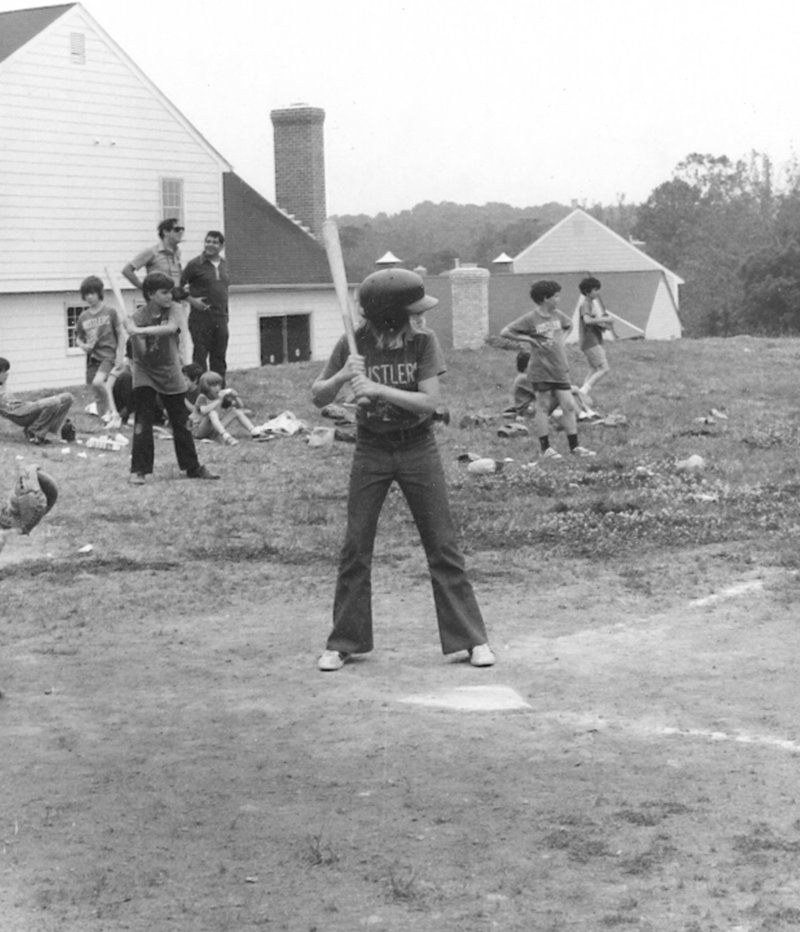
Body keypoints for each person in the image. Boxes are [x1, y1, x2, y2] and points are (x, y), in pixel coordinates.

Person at [312, 268, 495, 672]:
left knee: (442, 544)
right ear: (389, 314)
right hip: (372, 449)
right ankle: (345, 641)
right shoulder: (354, 343)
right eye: (412, 311)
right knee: (356, 547)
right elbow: (317, 394)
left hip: (417, 447)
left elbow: (429, 402)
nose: (420, 317)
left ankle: (470, 639)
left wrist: (377, 389)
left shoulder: (423, 341)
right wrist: (344, 376)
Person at [125, 272, 219, 485]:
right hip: (145, 371)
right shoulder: (138, 316)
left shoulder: (175, 309)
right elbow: (141, 354)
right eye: (164, 292)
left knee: (181, 421)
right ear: (151, 294)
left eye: (170, 292)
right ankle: (139, 470)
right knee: (143, 421)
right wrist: (134, 334)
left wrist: (138, 330)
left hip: (170, 369)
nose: (169, 296)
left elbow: (170, 329)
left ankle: (192, 467)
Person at [500, 280, 595, 460]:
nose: (559, 299)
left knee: (568, 405)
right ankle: (545, 449)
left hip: (559, 368)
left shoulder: (558, 316)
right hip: (541, 369)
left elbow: (569, 325)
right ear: (545, 298)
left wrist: (562, 340)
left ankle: (575, 447)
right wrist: (529, 340)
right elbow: (506, 332)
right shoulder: (530, 318)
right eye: (556, 296)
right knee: (542, 407)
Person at [76, 275, 124, 430]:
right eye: (86, 294)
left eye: (92, 293)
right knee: (97, 390)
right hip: (92, 358)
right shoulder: (83, 316)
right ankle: (107, 418)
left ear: (99, 293)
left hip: (108, 356)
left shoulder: (110, 312)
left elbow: (120, 334)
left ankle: (114, 413)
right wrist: (83, 346)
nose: (89, 297)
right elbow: (78, 338)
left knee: (99, 382)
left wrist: (120, 355)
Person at [180, 231, 230, 382]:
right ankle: (200, 392)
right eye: (207, 241)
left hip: (220, 318)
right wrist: (193, 301)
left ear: (221, 246)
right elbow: (177, 288)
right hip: (200, 318)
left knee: (219, 357)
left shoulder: (224, 264)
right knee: (200, 357)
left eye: (214, 242)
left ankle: (219, 392)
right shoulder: (195, 264)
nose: (210, 245)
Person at [0, 358, 73, 445]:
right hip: (19, 414)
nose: (7, 374)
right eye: (4, 371)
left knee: (68, 398)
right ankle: (34, 432)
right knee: (54, 402)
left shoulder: (3, 385)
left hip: (25, 406)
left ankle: (43, 430)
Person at [190, 371, 260, 445]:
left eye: (218, 385)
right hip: (199, 431)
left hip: (213, 430)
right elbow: (204, 410)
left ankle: (254, 431)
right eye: (213, 385)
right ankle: (227, 437)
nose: (217, 388)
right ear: (206, 386)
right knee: (212, 413)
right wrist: (219, 400)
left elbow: (240, 407)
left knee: (234, 411)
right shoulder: (202, 397)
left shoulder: (219, 396)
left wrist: (235, 397)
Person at [577, 276, 614, 403]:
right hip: (590, 341)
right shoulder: (586, 304)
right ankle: (583, 391)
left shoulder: (591, 304)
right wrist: (604, 320)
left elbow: (593, 322)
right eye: (595, 289)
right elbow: (587, 321)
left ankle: (581, 394)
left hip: (593, 339)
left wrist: (602, 325)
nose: (598, 292)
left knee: (593, 368)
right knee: (604, 368)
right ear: (588, 291)